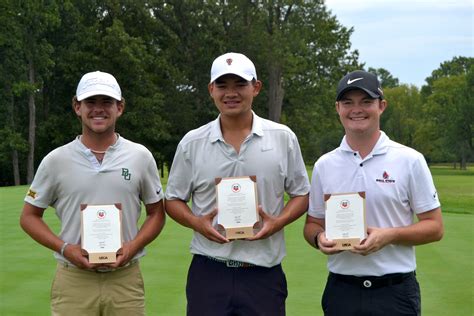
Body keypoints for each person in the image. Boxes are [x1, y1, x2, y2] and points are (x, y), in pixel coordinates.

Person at [165, 52, 310, 316]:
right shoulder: (192, 143)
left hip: (263, 274)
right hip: (209, 271)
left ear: (256, 87)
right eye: (222, 85)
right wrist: (196, 222)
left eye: (240, 85)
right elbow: (173, 199)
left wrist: (278, 222)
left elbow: (301, 194)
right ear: (211, 90)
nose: (231, 93)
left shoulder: (282, 138)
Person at [20, 71, 166, 316]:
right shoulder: (56, 160)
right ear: (77, 106)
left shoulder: (140, 156)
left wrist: (133, 247)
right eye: (91, 102)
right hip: (73, 280)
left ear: (120, 107)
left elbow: (157, 213)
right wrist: (66, 248)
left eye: (106, 102)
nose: (98, 109)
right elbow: (29, 216)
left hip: (125, 278)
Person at [304, 70, 444, 315]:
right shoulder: (324, 165)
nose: (356, 109)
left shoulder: (409, 159)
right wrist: (319, 239)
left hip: (395, 292)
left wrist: (389, 235)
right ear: (338, 108)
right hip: (341, 291)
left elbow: (435, 227)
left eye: (366, 101)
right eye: (348, 102)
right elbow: (313, 224)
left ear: (382, 106)